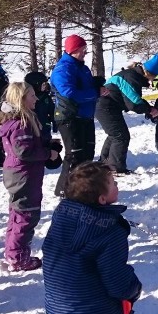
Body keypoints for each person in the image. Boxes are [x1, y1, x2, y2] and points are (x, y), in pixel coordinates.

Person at [44, 162, 142, 314]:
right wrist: (134, 288)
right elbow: (117, 282)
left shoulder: (62, 218)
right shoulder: (108, 231)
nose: (117, 184)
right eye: (112, 183)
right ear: (101, 199)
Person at [0, 82, 60, 272]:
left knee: (18, 213)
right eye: (32, 96)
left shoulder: (21, 120)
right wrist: (48, 154)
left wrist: (47, 144)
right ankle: (18, 258)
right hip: (24, 175)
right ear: (21, 99)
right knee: (26, 215)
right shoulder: (21, 123)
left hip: (21, 174)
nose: (36, 99)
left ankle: (13, 252)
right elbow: (24, 151)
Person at [50, 34, 102, 197]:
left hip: (85, 116)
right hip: (69, 116)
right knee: (74, 154)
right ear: (73, 50)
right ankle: (64, 189)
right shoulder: (63, 68)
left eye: (85, 50)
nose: (85, 53)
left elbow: (83, 85)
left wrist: (97, 82)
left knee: (87, 153)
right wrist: (95, 92)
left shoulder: (82, 67)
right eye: (82, 50)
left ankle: (82, 188)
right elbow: (68, 92)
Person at [96, 55, 158, 175]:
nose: (152, 81)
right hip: (105, 106)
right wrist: (149, 110)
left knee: (115, 134)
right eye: (153, 77)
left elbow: (134, 98)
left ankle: (104, 163)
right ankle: (115, 167)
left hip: (107, 106)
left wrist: (147, 108)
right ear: (149, 74)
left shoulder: (132, 75)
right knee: (121, 136)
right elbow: (134, 103)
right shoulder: (132, 77)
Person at [24, 71, 56, 138]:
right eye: (43, 84)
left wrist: (54, 122)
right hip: (31, 130)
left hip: (45, 128)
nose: (45, 86)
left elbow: (53, 111)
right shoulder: (26, 98)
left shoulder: (46, 97)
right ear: (36, 84)